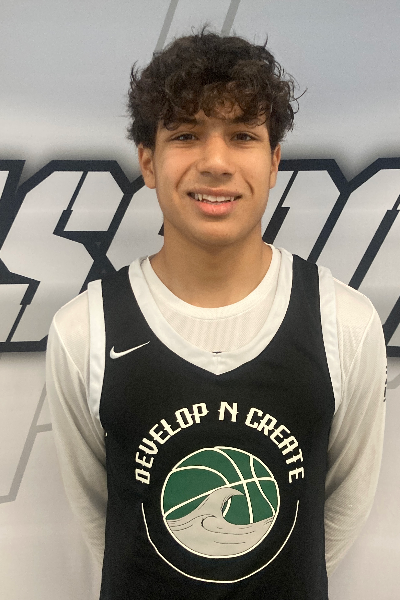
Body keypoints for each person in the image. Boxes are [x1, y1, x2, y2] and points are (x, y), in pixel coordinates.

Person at [46, 25, 387, 600]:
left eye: (242, 135)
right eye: (186, 135)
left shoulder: (345, 323)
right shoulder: (84, 329)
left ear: (273, 162)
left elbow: (337, 515)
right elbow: (106, 519)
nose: (216, 162)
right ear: (148, 162)